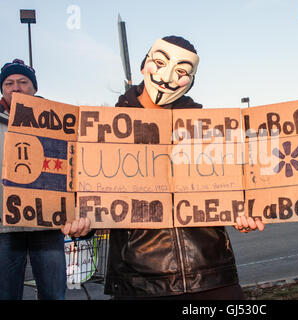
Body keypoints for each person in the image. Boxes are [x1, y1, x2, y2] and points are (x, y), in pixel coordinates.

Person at [68, 35, 263, 300]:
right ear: (143, 66)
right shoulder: (105, 129)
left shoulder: (206, 128)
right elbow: (93, 190)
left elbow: (225, 188)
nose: (168, 76)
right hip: (139, 281)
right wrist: (84, 222)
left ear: (191, 80)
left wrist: (241, 213)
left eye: (182, 71)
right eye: (159, 63)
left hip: (211, 273)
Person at [0, 59, 67, 300]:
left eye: (22, 82)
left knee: (54, 294)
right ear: (2, 89)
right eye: (8, 83)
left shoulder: (58, 120)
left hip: (47, 223)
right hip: (3, 227)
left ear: (34, 88)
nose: (15, 87)